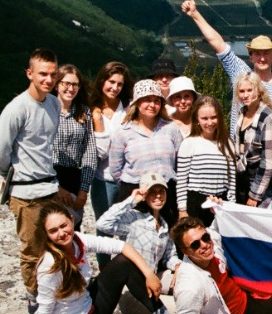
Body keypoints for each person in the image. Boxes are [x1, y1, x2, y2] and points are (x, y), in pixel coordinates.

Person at [9, 203, 258, 314]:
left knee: (123, 263)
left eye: (63, 225)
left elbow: (122, 247)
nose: (61, 233)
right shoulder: (50, 265)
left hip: (91, 306)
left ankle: (162, 313)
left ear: (71, 221)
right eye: (54, 231)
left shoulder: (77, 240)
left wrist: (150, 275)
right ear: (47, 236)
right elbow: (44, 309)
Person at [0, 48, 64, 311]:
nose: (48, 79)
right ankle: (34, 295)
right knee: (32, 248)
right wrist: (10, 178)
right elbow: (0, 153)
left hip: (49, 186)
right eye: (43, 74)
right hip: (25, 192)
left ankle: (54, 289)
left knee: (55, 244)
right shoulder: (17, 109)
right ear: (29, 73)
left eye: (53, 74)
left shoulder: (54, 104)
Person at [180, 0, 272, 134]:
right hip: (236, 149)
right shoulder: (240, 72)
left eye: (266, 53)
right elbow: (218, 43)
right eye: (257, 53)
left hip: (265, 151)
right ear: (251, 57)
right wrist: (195, 14)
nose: (262, 58)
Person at [108, 78, 183, 228]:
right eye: (147, 100)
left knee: (168, 238)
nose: (152, 105)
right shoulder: (123, 132)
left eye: (157, 101)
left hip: (165, 193)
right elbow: (115, 169)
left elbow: (179, 162)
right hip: (135, 193)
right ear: (137, 102)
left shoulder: (171, 128)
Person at [96, 172, 182, 294]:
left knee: (185, 279)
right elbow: (102, 224)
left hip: (152, 279)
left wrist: (178, 266)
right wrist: (132, 200)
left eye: (161, 191)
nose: (158, 196)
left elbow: (170, 256)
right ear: (144, 194)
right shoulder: (133, 218)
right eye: (152, 192)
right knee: (171, 311)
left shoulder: (164, 225)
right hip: (131, 286)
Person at [177, 95, 237, 225]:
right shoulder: (189, 143)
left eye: (213, 117)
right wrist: (182, 209)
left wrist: (231, 206)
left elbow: (231, 180)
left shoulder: (227, 143)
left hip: (221, 202)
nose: (209, 123)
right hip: (196, 203)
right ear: (197, 119)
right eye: (204, 118)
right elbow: (181, 181)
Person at [50, 64, 98, 226]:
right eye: (66, 83)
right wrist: (56, 186)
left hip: (74, 178)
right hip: (50, 176)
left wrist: (83, 190)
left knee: (73, 228)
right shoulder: (46, 111)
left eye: (75, 84)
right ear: (56, 85)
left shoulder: (84, 112)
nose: (70, 88)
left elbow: (89, 150)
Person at [88, 61, 131, 218]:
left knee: (127, 228)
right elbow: (101, 152)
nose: (115, 88)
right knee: (104, 226)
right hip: (102, 179)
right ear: (102, 81)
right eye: (111, 82)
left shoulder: (129, 108)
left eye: (119, 84)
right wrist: (98, 121)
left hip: (127, 179)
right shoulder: (91, 110)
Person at [234, 71, 272, 208]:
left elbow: (268, 163)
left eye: (249, 90)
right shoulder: (242, 113)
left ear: (258, 91)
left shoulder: (267, 118)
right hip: (242, 179)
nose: (245, 95)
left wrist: (255, 195)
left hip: (258, 183)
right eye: (242, 91)